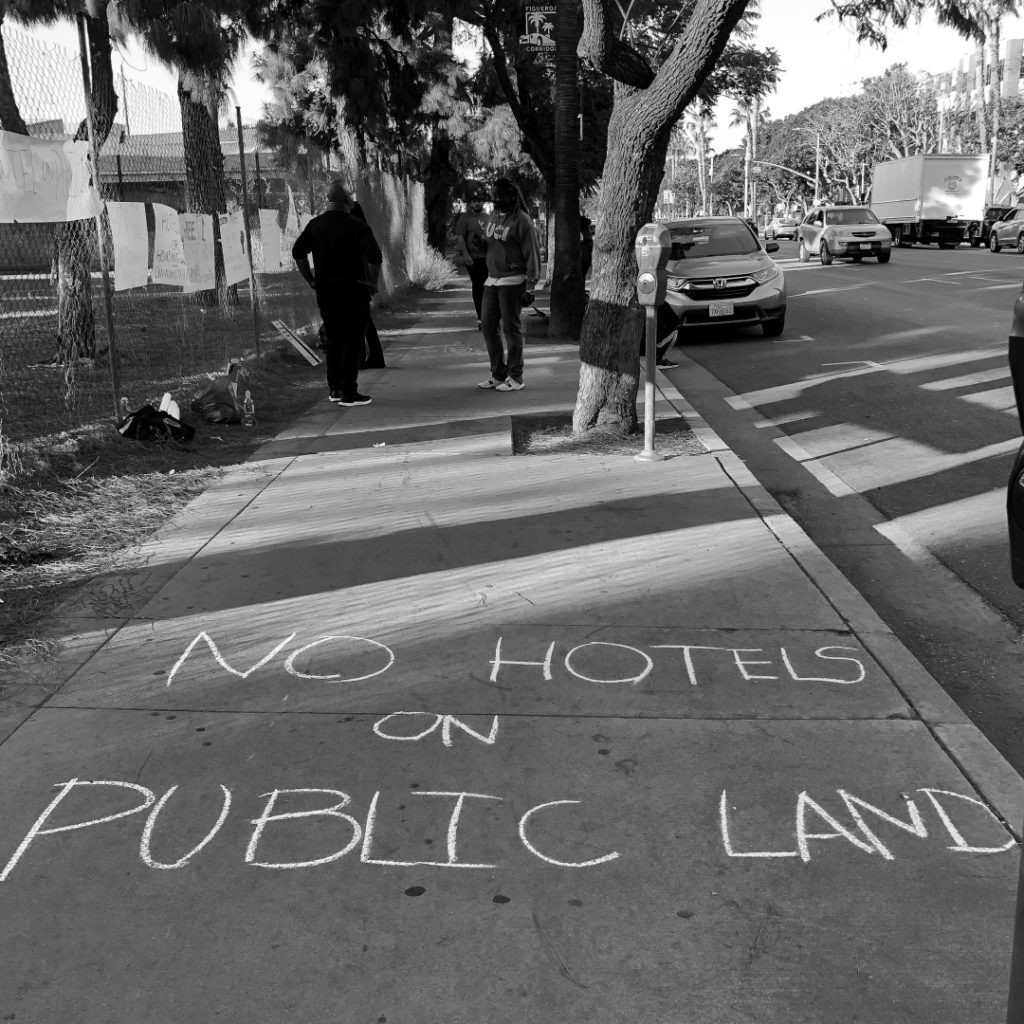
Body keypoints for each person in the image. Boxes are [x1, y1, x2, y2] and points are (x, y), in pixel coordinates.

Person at [292, 180, 382, 406]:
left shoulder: (316, 225)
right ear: (347, 201)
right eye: (351, 197)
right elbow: (374, 256)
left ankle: (334, 389)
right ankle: (349, 392)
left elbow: (298, 252)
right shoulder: (357, 225)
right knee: (352, 341)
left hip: (327, 292)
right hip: (354, 291)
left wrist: (311, 279)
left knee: (333, 339)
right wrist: (372, 282)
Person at [477, 177, 541, 393]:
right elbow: (492, 242)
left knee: (510, 328)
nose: (497, 198)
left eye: (501, 195)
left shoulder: (522, 220)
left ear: (512, 197)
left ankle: (516, 377)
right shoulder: (494, 216)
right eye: (495, 194)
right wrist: (480, 243)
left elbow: (532, 253)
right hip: (492, 279)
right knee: (487, 324)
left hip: (514, 280)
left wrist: (531, 286)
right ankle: (498, 373)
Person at [349, 197, 387, 369]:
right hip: (361, 277)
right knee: (363, 318)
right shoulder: (359, 231)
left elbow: (373, 257)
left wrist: (371, 282)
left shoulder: (357, 231)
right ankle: (371, 355)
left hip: (359, 278)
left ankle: (364, 356)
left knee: (360, 318)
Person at [452, 186, 488, 327]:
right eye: (474, 201)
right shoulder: (464, 218)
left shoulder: (488, 217)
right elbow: (460, 238)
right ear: (470, 203)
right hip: (473, 259)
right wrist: (466, 256)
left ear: (483, 202)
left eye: (479, 201)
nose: (477, 203)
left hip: (488, 258)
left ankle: (489, 317)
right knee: (478, 286)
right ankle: (481, 317)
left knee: (489, 287)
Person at [579, 215, 594, 281]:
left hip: (583, 256)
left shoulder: (583, 233)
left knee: (581, 276)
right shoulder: (585, 232)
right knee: (582, 276)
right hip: (584, 257)